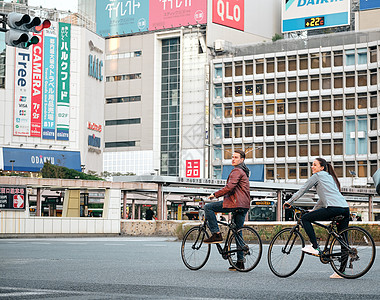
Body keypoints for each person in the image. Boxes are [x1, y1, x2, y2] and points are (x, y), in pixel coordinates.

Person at [284, 157, 350, 279]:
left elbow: (303, 190)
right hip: (345, 209)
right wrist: (314, 210)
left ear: (322, 167)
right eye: (312, 165)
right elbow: (323, 198)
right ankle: (341, 271)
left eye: (315, 165)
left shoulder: (317, 176)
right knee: (343, 239)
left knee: (305, 219)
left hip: (333, 208)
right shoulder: (329, 177)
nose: (312, 167)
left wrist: (290, 202)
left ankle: (315, 246)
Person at [204, 149, 250, 271]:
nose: (233, 159)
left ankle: (216, 234)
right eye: (233, 157)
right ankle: (240, 262)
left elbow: (230, 187)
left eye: (236, 157)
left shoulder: (237, 170)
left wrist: (215, 194)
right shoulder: (245, 171)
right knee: (237, 231)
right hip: (244, 204)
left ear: (242, 160)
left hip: (235, 203)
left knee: (208, 207)